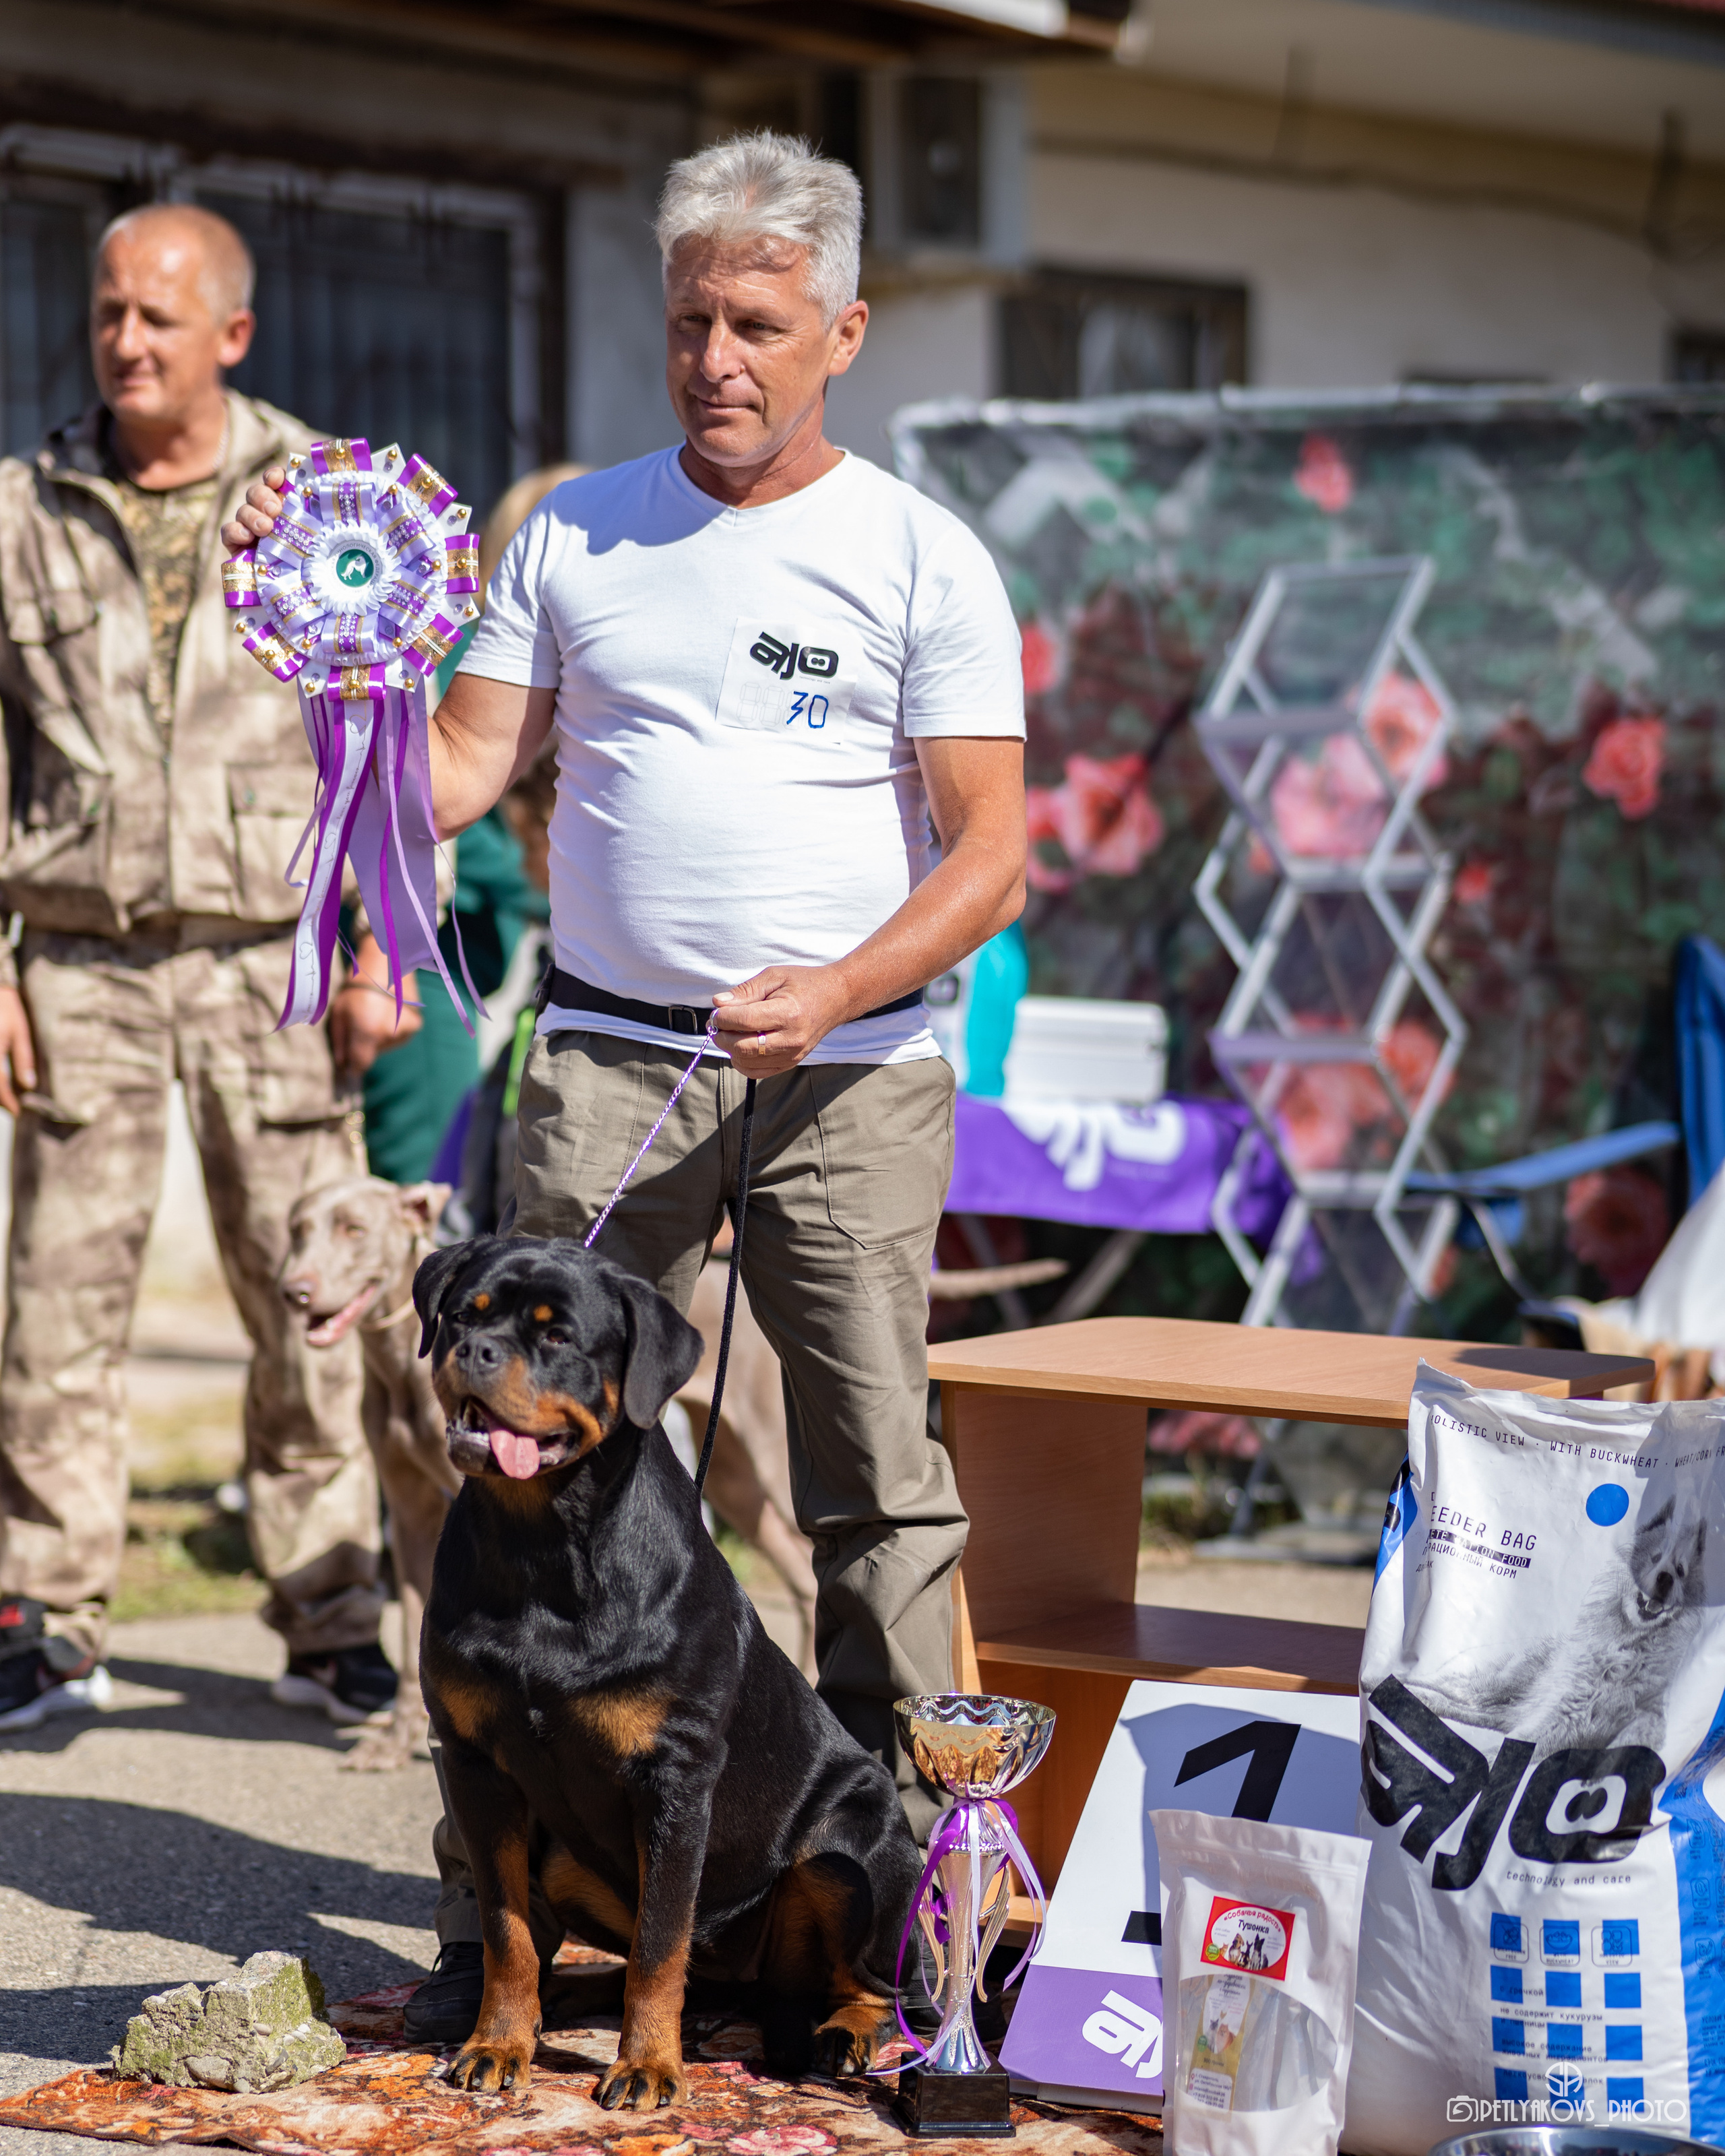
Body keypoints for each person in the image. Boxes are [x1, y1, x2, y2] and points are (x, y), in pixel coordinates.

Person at [224, 130, 1028, 2041]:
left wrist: (838, 983)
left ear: (844, 327)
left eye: (757, 323)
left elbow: (991, 856)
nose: (717, 357)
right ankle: (479, 1924)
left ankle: (913, 1932)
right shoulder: (574, 529)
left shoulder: (925, 550)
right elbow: (462, 768)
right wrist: (352, 731)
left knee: (868, 1494)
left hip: (855, 1076)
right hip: (603, 1056)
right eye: (689, 320)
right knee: (504, 1465)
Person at [0, 203, 410, 1732]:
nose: (125, 341)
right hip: (80, 961)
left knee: (305, 1295)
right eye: (109, 311)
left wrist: (380, 944)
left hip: (271, 958)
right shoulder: (22, 507)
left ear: (231, 334)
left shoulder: (323, 499)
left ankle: (328, 1616)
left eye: (160, 319)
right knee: (56, 1303)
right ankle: (47, 1620)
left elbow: (376, 745)